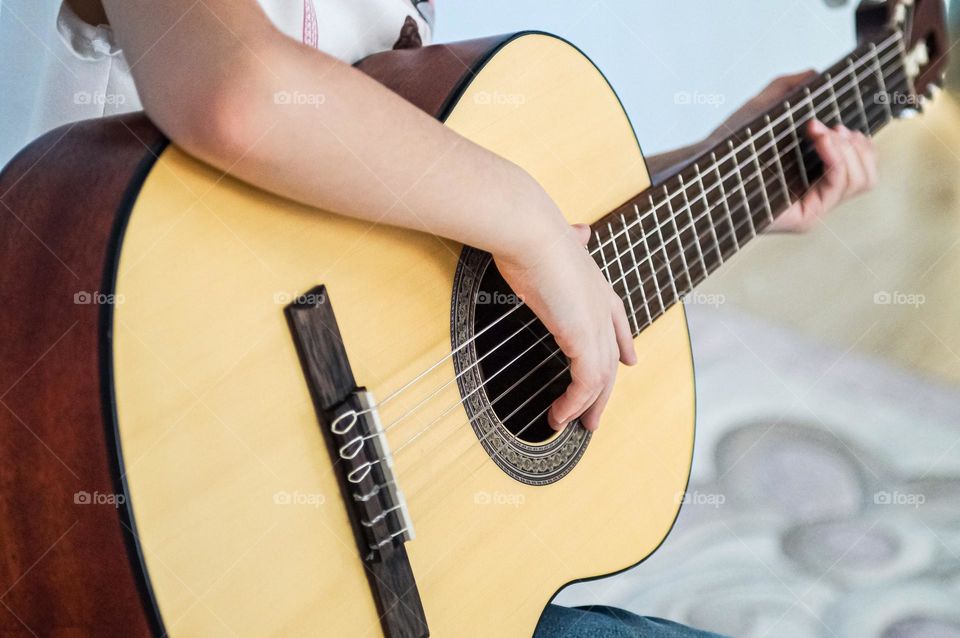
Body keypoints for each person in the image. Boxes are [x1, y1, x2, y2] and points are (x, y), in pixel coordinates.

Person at [40, 2, 878, 636]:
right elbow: (238, 94)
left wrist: (721, 171)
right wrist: (522, 218)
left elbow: (414, 238)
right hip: (148, 509)